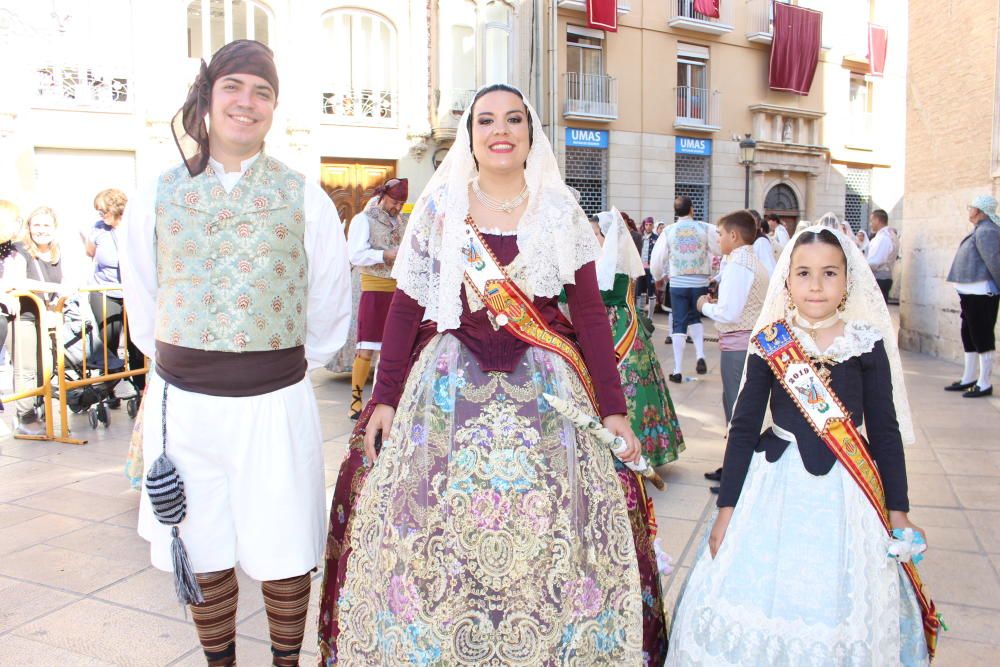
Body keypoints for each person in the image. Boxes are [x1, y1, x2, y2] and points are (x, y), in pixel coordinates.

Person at [325, 84, 645, 664]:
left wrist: (613, 406)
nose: (501, 130)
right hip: (446, 392)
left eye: (514, 120)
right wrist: (385, 398)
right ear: (470, 138)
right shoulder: (439, 209)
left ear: (530, 134)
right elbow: (405, 308)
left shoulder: (560, 208)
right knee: (438, 529)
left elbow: (591, 315)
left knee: (547, 531)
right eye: (487, 121)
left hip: (546, 394)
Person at [121, 40, 351, 666]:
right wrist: (182, 363)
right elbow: (143, 298)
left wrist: (274, 366)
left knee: (283, 548)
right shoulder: (156, 195)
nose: (246, 104)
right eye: (234, 88)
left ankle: (285, 662)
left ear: (274, 108)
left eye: (263, 92)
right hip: (184, 404)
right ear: (207, 98)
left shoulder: (305, 197)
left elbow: (330, 306)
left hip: (274, 401)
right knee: (201, 543)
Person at [667, 225, 939, 666]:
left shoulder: (866, 343)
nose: (816, 285)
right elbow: (743, 427)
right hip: (775, 482)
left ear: (847, 281)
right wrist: (726, 510)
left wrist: (899, 510)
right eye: (804, 273)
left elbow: (885, 432)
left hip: (849, 492)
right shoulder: (771, 341)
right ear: (787, 281)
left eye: (830, 273)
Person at [595, 208, 684, 468]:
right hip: (624, 323)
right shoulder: (612, 256)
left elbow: (601, 296)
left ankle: (628, 449)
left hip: (616, 328)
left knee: (625, 384)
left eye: (595, 233)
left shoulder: (611, 260)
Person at [696, 210, 770, 494]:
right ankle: (732, 466)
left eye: (720, 233)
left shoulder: (741, 263)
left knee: (739, 411)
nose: (718, 238)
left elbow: (729, 312)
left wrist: (704, 306)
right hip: (740, 343)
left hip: (740, 345)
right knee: (734, 407)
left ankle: (738, 476)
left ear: (734, 236)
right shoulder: (744, 259)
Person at [346, 177, 408, 419]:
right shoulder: (364, 219)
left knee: (391, 350)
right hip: (373, 288)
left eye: (401, 204)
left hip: (399, 289)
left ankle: (380, 400)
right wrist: (386, 255)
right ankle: (355, 402)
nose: (397, 208)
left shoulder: (402, 221)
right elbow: (355, 254)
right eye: (394, 202)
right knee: (366, 348)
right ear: (383, 196)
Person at [650, 195, 720, 382]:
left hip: (678, 283)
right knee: (695, 317)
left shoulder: (668, 231)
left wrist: (658, 278)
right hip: (700, 281)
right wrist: (716, 270)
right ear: (692, 209)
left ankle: (678, 369)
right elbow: (719, 248)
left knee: (679, 323)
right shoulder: (705, 228)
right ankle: (700, 355)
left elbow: (657, 259)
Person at [86, 188, 146, 400]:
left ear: (116, 208)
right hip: (105, 291)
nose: (101, 214)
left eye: (103, 210)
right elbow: (90, 253)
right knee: (107, 343)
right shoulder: (98, 229)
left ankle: (141, 389)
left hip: (132, 292)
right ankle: (108, 390)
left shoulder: (134, 227)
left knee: (136, 342)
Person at [12, 207, 65, 434]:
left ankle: (40, 407)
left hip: (48, 316)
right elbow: (17, 281)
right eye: (37, 225)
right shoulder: (19, 251)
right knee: (26, 369)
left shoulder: (57, 252)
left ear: (54, 228)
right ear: (29, 228)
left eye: (46, 225)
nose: (41, 230)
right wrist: (55, 288)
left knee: (47, 366)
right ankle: (24, 416)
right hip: (25, 316)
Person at [943, 194, 1000, 398]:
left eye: (972, 207)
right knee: (969, 335)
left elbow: (995, 262)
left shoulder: (988, 231)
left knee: (982, 336)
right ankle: (968, 378)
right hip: (970, 293)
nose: (969, 210)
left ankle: (984, 383)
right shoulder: (980, 230)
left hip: (982, 293)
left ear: (981, 211)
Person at [867, 208, 899, 303]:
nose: (870, 223)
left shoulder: (883, 238)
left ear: (877, 220)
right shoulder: (888, 236)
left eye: (871, 220)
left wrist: (861, 265)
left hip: (879, 279)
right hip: (882, 278)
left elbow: (875, 262)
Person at [636, 216, 658, 319]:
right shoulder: (640, 237)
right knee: (640, 291)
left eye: (650, 224)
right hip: (640, 268)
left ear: (653, 225)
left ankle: (650, 316)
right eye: (646, 224)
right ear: (644, 225)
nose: (648, 227)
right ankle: (640, 314)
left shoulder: (656, 238)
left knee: (651, 291)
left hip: (651, 269)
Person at [748, 209, 777, 276]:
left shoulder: (761, 242)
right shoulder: (749, 240)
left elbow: (769, 270)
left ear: (758, 225)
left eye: (751, 223)